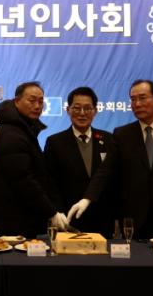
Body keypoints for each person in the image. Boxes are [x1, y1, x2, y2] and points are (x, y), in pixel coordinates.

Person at [68, 79, 153, 239]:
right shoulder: (122, 134)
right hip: (134, 219)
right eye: (133, 99)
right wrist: (87, 199)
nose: (137, 104)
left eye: (142, 98)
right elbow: (106, 170)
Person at [0, 82, 67, 238]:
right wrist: (51, 211)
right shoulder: (12, 133)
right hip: (15, 218)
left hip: (24, 214)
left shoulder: (24, 128)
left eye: (40, 101)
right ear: (17, 101)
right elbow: (23, 180)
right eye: (32, 100)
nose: (37, 106)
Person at [44, 87, 115, 238]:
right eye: (77, 108)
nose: (82, 113)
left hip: (103, 219)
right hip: (68, 219)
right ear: (68, 110)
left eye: (87, 108)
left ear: (95, 111)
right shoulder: (55, 142)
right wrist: (57, 212)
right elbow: (51, 183)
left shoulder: (109, 139)